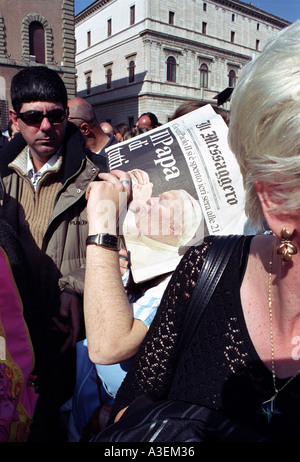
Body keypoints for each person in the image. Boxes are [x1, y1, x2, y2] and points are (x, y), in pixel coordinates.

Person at [95, 20, 300, 442]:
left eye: (167, 208)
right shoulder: (206, 266)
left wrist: (101, 231)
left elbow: (109, 344)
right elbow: (129, 423)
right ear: (277, 199)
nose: (153, 204)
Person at [0, 66, 107, 441]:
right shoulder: (0, 174)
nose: (45, 126)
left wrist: (75, 286)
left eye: (56, 115)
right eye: (33, 116)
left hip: (70, 336)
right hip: (12, 339)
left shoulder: (101, 175)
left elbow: (119, 245)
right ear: (15, 119)